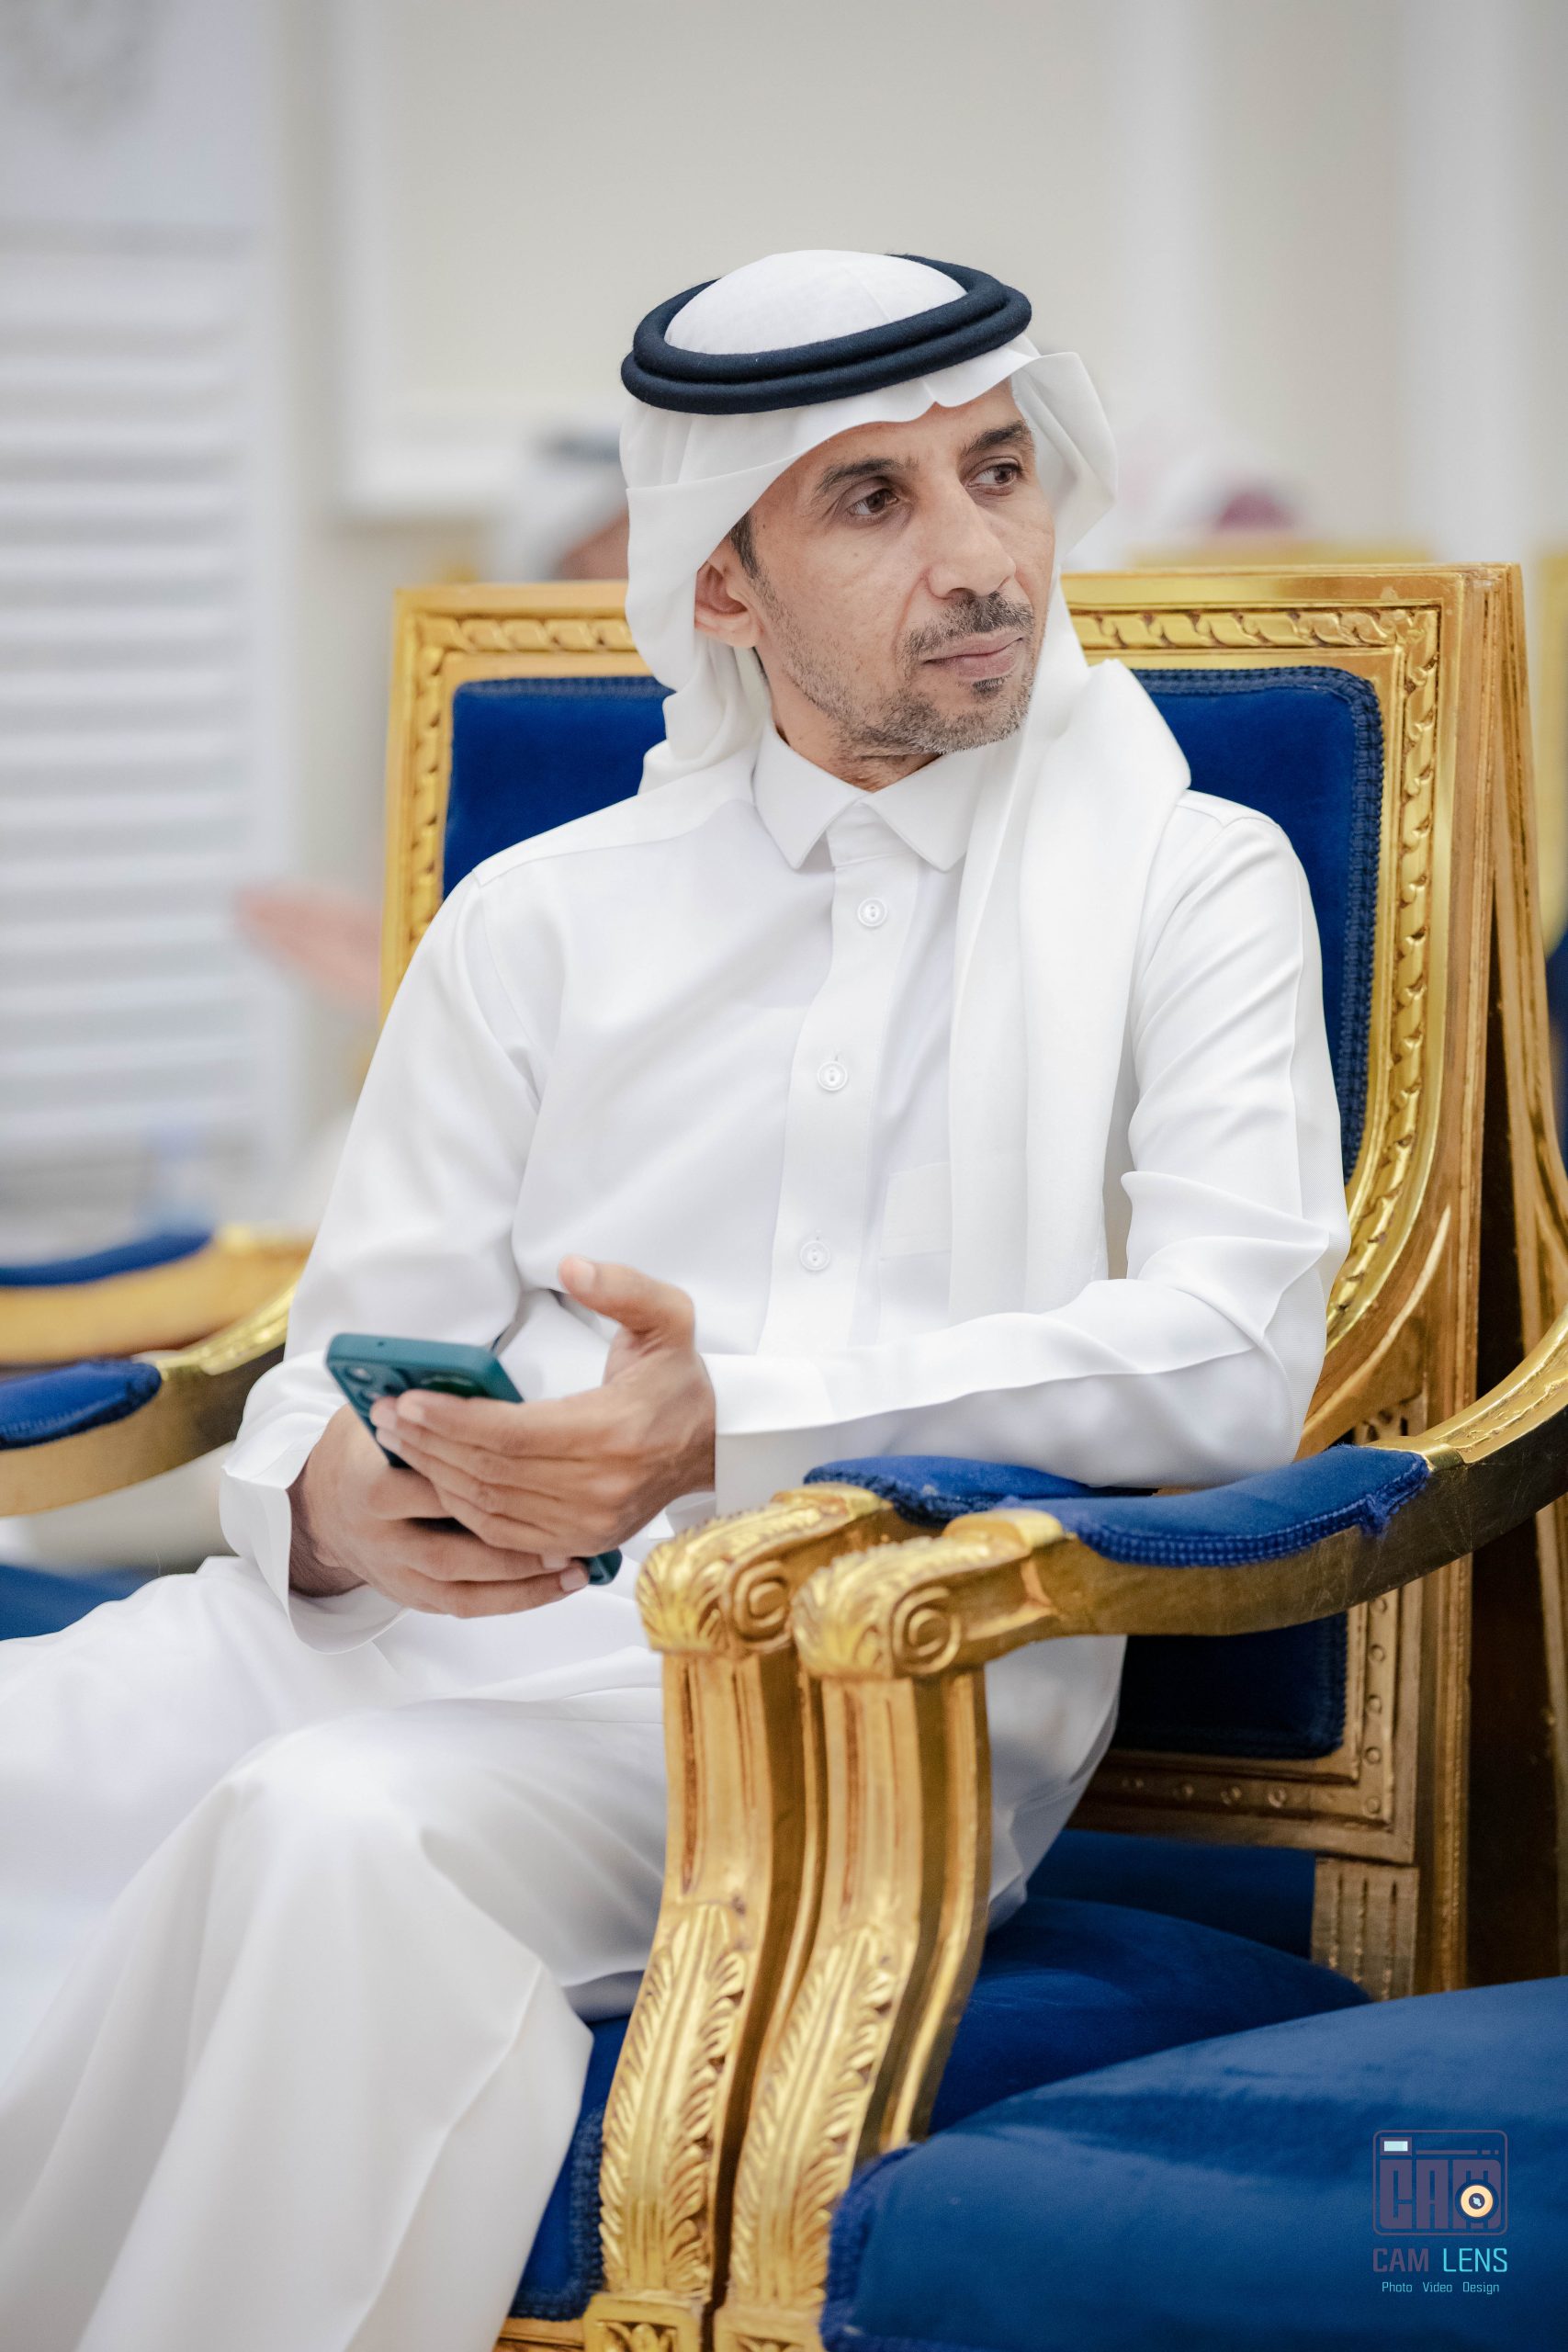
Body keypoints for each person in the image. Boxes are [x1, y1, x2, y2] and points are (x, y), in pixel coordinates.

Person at [0, 249, 1348, 2352]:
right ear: (720, 578)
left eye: (999, 471)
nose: (979, 554)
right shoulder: (539, 918)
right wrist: (341, 1510)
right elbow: (329, 1362)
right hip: (406, 1634)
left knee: (334, 1835)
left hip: (830, 1699)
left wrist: (730, 1425)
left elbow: (1233, 1356)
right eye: (875, 498)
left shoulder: (1194, 882)